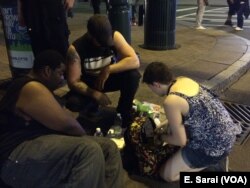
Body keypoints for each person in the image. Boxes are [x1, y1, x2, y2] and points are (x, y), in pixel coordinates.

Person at [0, 50, 125, 188]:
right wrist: (77, 130)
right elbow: (70, 126)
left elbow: (66, 117)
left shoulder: (43, 90)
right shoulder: (30, 86)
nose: (62, 79)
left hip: (38, 143)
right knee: (88, 149)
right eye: (60, 73)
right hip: (14, 155)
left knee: (109, 148)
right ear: (47, 71)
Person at [142, 62, 242, 182]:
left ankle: (212, 165)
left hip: (213, 146)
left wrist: (160, 137)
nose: (152, 90)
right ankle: (214, 158)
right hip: (228, 133)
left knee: (167, 175)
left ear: (156, 84)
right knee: (173, 129)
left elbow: (180, 141)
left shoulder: (171, 101)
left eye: (150, 87)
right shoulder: (183, 80)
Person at [65, 14, 141, 129]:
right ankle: (91, 108)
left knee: (133, 76)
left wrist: (108, 69)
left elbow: (135, 61)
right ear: (91, 36)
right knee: (73, 102)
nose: (104, 45)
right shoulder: (76, 49)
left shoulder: (115, 36)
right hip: (90, 83)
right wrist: (94, 94)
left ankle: (123, 111)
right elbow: (73, 82)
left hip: (107, 79)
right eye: (100, 42)